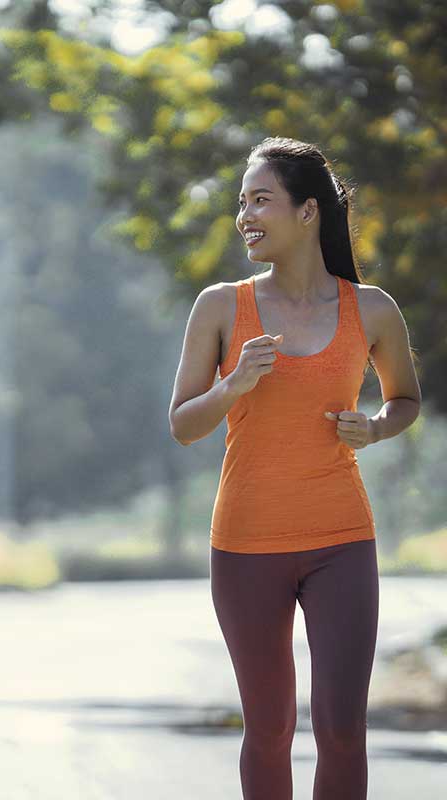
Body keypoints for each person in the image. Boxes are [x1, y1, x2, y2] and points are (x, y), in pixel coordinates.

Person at [168, 137, 421, 799]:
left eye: (260, 199)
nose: (243, 215)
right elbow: (183, 424)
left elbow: (405, 400)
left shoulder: (372, 310)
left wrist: (374, 428)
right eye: (240, 202)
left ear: (308, 212)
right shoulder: (221, 307)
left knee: (342, 729)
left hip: (342, 538)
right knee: (270, 727)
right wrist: (232, 387)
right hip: (247, 542)